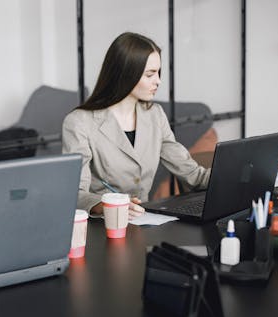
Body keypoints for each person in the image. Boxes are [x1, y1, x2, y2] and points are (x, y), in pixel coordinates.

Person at [62, 32, 210, 218]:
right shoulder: (79, 122)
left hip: (144, 222)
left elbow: (193, 174)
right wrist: (106, 205)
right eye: (150, 74)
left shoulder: (155, 115)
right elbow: (75, 194)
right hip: (102, 226)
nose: (158, 81)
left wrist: (233, 177)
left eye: (158, 73)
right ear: (126, 74)